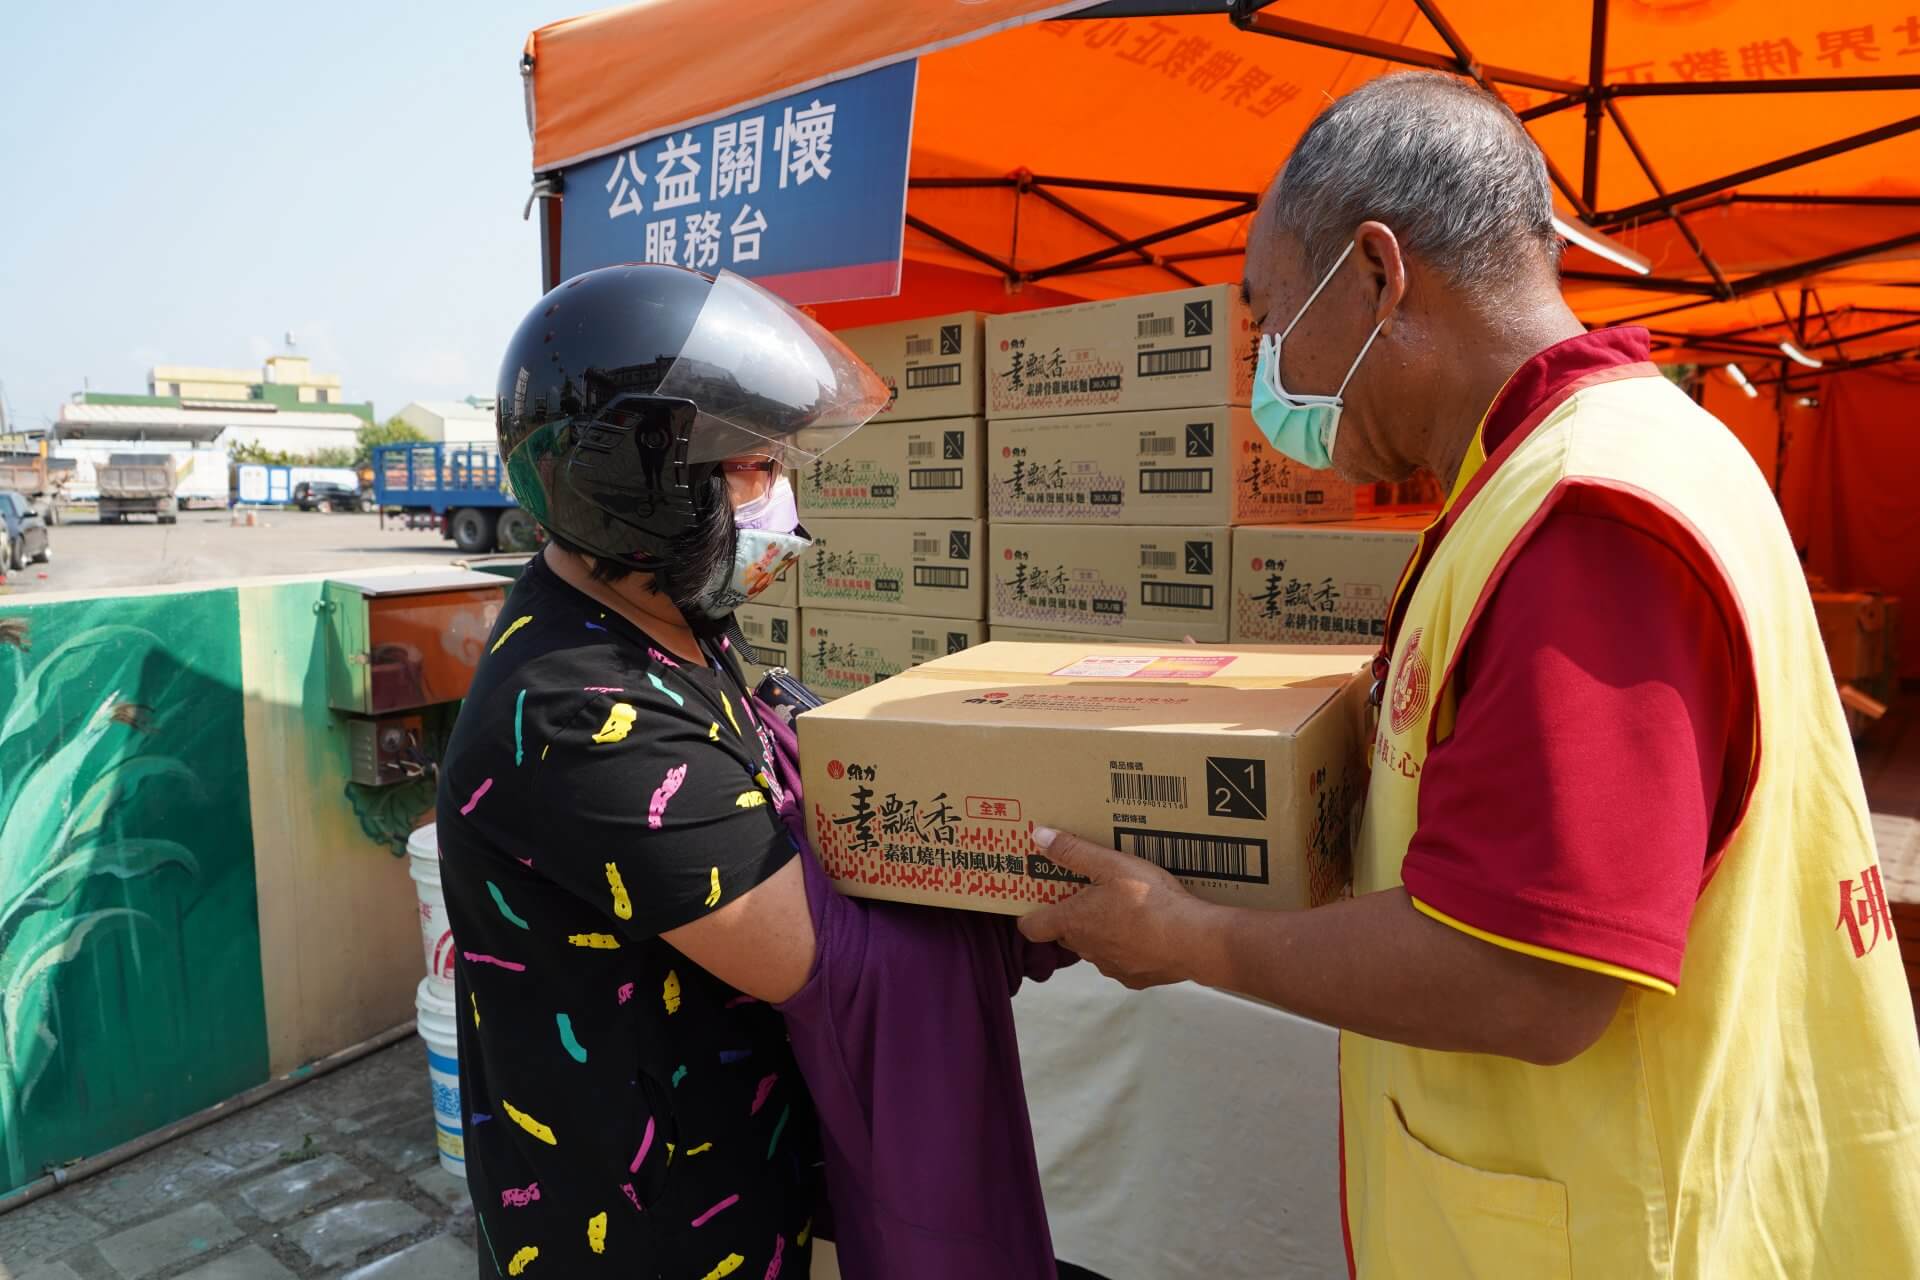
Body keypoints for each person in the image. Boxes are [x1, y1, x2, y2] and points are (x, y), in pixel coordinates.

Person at [1018, 72, 1920, 1277]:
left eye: (1270, 316)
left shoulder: (1587, 516)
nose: (1265, 368)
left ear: (1380, 274)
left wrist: (1189, 936)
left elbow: (1526, 974)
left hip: (1616, 1231)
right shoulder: (1588, 462)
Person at [436, 263, 1066, 1280]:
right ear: (628, 480)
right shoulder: (579, 709)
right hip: (639, 1231)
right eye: (752, 468)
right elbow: (828, 957)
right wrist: (1033, 891)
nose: (784, 501)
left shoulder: (672, 625)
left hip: (730, 1175)